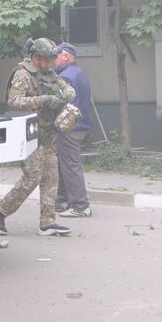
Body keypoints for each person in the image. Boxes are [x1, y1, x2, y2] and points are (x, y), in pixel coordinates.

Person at [0, 37, 76, 239]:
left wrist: (69, 93)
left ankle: (47, 223)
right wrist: (44, 99)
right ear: (36, 57)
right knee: (33, 177)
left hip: (47, 133)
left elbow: (64, 86)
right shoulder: (23, 74)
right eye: (47, 60)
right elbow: (14, 102)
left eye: (52, 60)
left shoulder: (49, 73)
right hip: (30, 134)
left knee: (51, 177)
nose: (51, 64)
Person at [54, 43, 93, 219]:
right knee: (65, 163)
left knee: (70, 165)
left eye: (57, 55)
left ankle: (80, 206)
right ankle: (63, 200)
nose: (53, 59)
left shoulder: (66, 76)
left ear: (66, 57)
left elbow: (61, 104)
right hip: (79, 125)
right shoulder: (78, 72)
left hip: (70, 127)